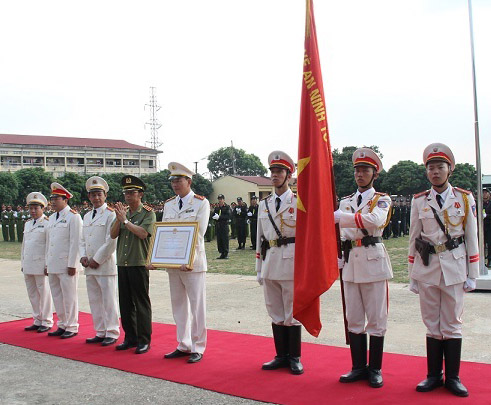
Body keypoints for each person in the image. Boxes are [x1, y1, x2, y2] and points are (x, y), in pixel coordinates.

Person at [408, 143, 478, 397]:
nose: (435, 171)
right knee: (432, 324)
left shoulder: (463, 197)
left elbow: (472, 236)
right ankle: (433, 376)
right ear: (426, 171)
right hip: (427, 268)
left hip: (455, 266)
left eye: (440, 167)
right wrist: (412, 274)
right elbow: (414, 238)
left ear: (450, 169)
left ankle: (454, 378)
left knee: (452, 323)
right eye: (431, 167)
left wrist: (473, 274)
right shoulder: (419, 201)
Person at [334, 148, 392, 388]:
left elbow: (374, 220)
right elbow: (337, 232)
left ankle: (375, 368)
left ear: (374, 174)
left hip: (373, 260)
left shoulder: (382, 199)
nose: (360, 174)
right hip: (350, 262)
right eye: (357, 170)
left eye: (365, 170)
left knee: (376, 319)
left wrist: (341, 217)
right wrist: (335, 255)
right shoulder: (345, 201)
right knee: (354, 318)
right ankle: (358, 367)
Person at [256, 151, 303, 375]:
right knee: (275, 311)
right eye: (273, 171)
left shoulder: (299, 202)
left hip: (291, 262)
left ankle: (294, 357)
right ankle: (280, 355)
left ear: (289, 176)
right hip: (270, 262)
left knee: (292, 312)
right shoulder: (263, 204)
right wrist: (258, 268)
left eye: (280, 171)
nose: (275, 175)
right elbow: (259, 239)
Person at [158, 162, 210, 363]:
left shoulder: (200, 203)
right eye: (172, 181)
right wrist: (160, 258)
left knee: (197, 306)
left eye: (178, 180)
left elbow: (199, 233)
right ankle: (183, 343)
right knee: (178, 304)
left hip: (193, 264)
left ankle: (198, 346)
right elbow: (164, 234)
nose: (175, 184)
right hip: (173, 264)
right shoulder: (169, 204)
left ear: (188, 181)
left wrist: (188, 259)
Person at [110, 175, 155, 354]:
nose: (128, 196)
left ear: (140, 194)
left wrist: (126, 222)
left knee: (141, 303)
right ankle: (130, 337)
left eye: (132, 192)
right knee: (125, 303)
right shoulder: (123, 212)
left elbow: (143, 233)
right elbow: (113, 234)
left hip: (138, 262)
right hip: (123, 261)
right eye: (126, 193)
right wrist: (120, 219)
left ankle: (144, 339)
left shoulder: (147, 213)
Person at [80, 176, 120, 346]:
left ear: (105, 196)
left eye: (99, 194)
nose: (96, 198)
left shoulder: (110, 214)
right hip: (89, 265)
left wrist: (97, 259)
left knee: (108, 299)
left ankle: (112, 331)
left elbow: (111, 241)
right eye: (93, 194)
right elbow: (83, 239)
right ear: (89, 197)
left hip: (105, 265)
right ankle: (100, 330)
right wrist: (83, 256)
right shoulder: (87, 216)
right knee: (95, 299)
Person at [46, 182, 83, 339]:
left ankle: (72, 326)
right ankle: (62, 323)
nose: (53, 201)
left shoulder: (73, 217)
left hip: (67, 264)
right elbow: (50, 242)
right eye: (52, 198)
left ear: (65, 199)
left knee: (69, 296)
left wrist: (73, 264)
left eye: (57, 198)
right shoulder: (53, 217)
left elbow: (76, 242)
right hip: (54, 263)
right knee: (57, 295)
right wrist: (47, 263)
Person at [21, 192, 53, 333]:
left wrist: (47, 264)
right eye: (31, 208)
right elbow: (24, 245)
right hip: (28, 264)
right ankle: (37, 319)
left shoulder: (47, 223)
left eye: (36, 208)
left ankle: (46, 321)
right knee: (32, 294)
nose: (33, 211)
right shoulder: (27, 224)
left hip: (41, 265)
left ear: (43, 208)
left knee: (44, 293)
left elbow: (48, 246)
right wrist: (23, 262)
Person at [213, 194, 231, 259]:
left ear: (224, 200)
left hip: (224, 225)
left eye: (221, 199)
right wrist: (214, 217)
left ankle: (225, 253)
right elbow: (213, 215)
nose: (220, 200)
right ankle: (221, 253)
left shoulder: (227, 207)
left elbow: (228, 216)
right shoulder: (217, 207)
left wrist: (219, 217)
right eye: (219, 199)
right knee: (219, 240)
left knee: (225, 239)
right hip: (218, 226)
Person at [483, 188, 491, 268]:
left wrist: (487, 216)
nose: (484, 194)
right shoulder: (479, 203)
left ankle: (489, 260)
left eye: (486, 192)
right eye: (483, 192)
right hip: (481, 226)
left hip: (489, 226)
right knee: (481, 244)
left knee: (490, 244)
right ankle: (482, 260)